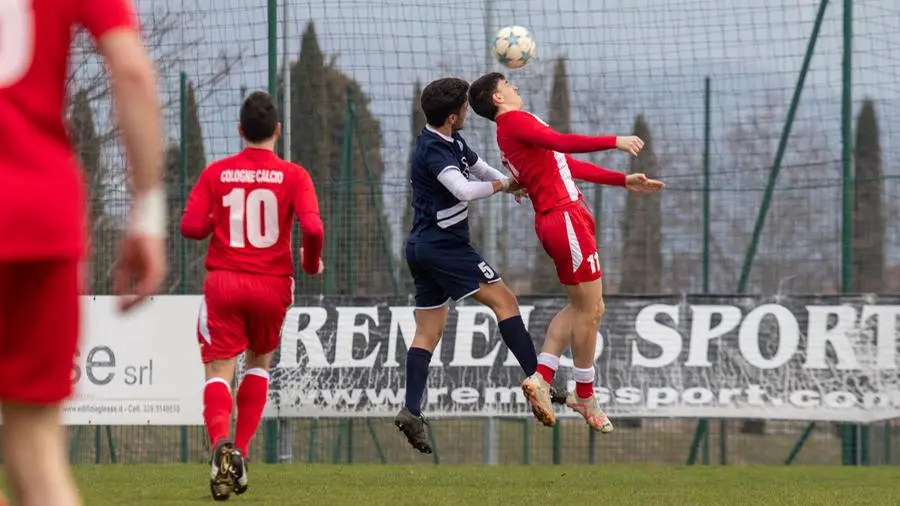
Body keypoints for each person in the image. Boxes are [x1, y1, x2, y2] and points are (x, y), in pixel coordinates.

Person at [0, 1, 166, 505]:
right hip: (37, 219)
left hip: (36, 223)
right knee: (38, 453)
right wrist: (147, 213)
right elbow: (132, 69)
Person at [467, 72, 664, 432]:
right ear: (497, 98)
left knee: (585, 308)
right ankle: (584, 394)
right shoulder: (513, 121)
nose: (516, 88)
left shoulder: (510, 130)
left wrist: (621, 180)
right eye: (509, 85)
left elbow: (563, 164)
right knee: (590, 311)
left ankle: (543, 377)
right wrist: (615, 141)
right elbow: (563, 143)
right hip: (564, 218)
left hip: (561, 218)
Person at [394, 77, 565, 455]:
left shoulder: (450, 140)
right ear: (453, 117)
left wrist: (511, 182)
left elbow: (480, 169)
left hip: (422, 246)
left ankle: (411, 411)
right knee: (505, 301)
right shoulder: (432, 152)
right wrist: (506, 188)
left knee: (428, 332)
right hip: (444, 247)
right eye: (465, 110)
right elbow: (465, 190)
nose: (469, 113)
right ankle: (540, 380)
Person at [180, 90, 324, 501]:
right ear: (277, 130)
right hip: (271, 284)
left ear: (240, 130)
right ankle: (240, 453)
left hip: (224, 281)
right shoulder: (295, 175)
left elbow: (189, 227)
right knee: (259, 363)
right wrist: (311, 264)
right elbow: (313, 230)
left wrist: (214, 220)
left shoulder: (218, 172)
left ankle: (219, 446)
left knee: (218, 371)